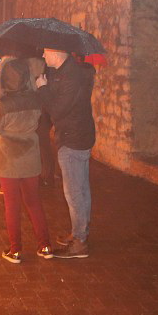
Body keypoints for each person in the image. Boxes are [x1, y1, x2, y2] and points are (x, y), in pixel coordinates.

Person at [0, 57, 53, 264]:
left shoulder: (4, 104)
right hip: (30, 157)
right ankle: (45, 245)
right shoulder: (36, 100)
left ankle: (15, 250)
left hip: (8, 159)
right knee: (34, 202)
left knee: (12, 204)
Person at [39, 48, 96, 259]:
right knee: (81, 188)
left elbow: (56, 110)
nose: (43, 56)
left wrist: (43, 88)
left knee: (74, 192)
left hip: (73, 138)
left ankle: (79, 241)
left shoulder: (71, 76)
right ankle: (80, 233)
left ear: (57, 53)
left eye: (46, 52)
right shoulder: (67, 72)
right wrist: (49, 82)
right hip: (78, 135)